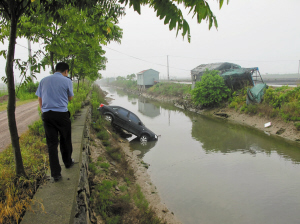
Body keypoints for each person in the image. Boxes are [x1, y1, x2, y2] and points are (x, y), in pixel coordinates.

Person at [36, 62, 74, 181]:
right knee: (65, 139)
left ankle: (56, 174)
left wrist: (43, 111)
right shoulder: (67, 81)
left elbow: (40, 97)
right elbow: (70, 97)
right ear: (66, 71)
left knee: (52, 144)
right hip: (62, 115)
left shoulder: (43, 80)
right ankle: (67, 162)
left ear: (55, 70)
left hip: (47, 115)